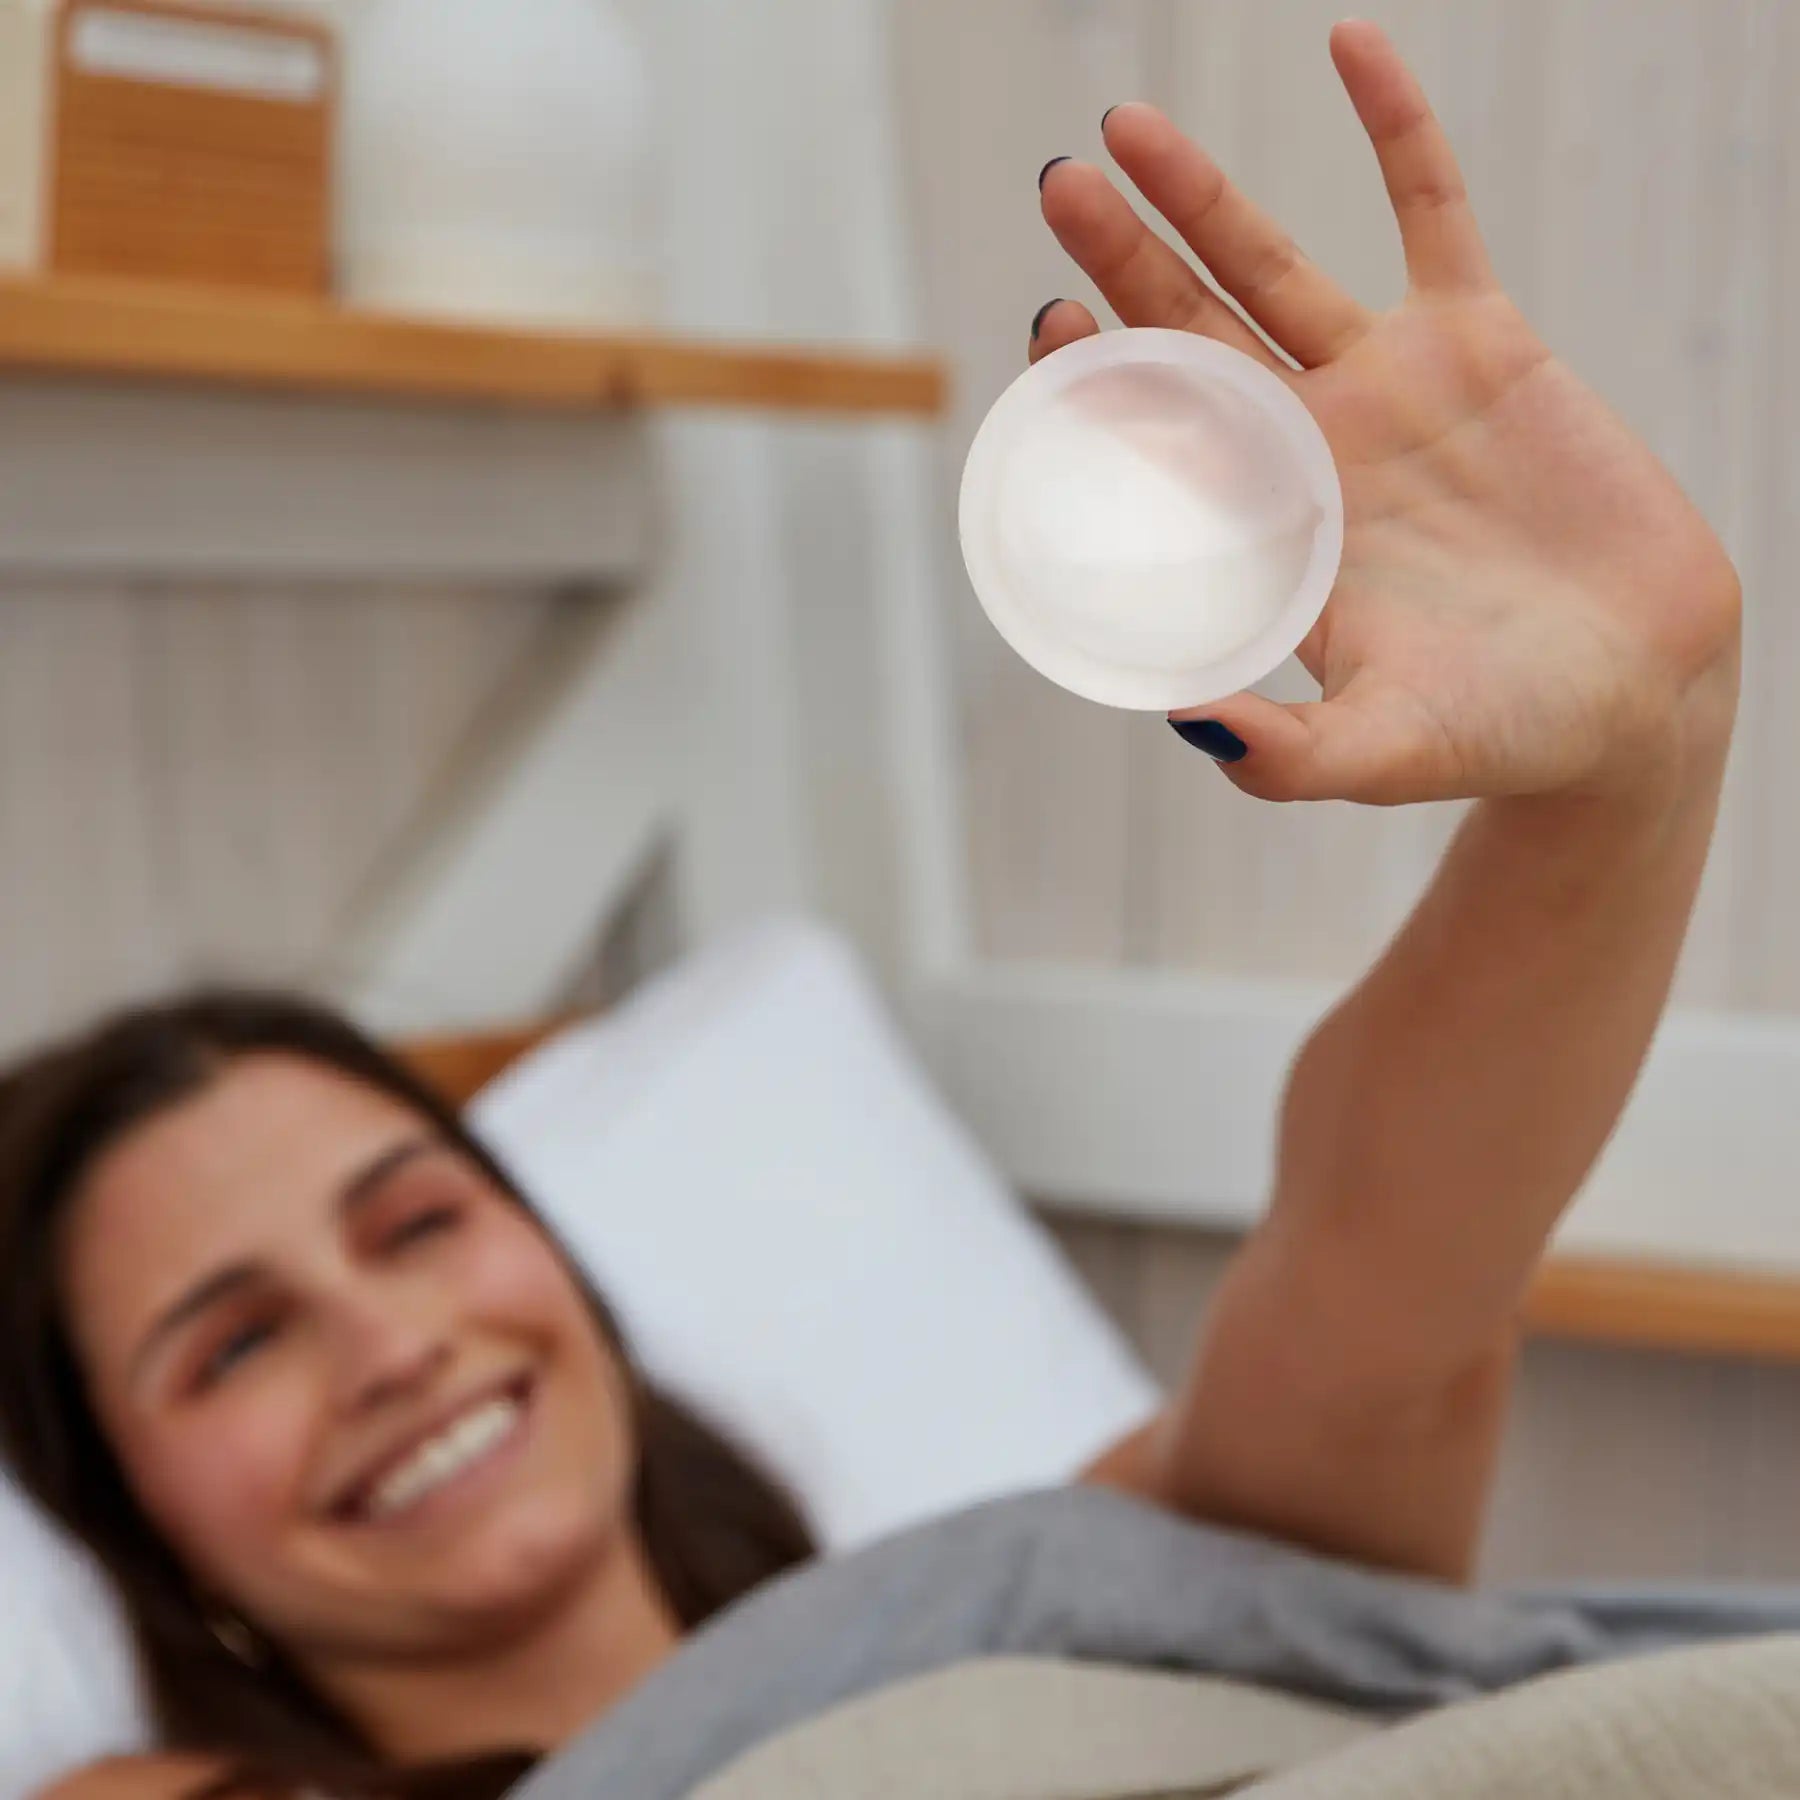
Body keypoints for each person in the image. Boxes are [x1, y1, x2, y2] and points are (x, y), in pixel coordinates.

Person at [3, 20, 1740, 1800]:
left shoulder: (1062, 1612)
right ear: (125, 1512)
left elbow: (1390, 1289)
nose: (388, 1344)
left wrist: (1629, 772)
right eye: (232, 1344)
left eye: (419, 1224)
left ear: (567, 1273)